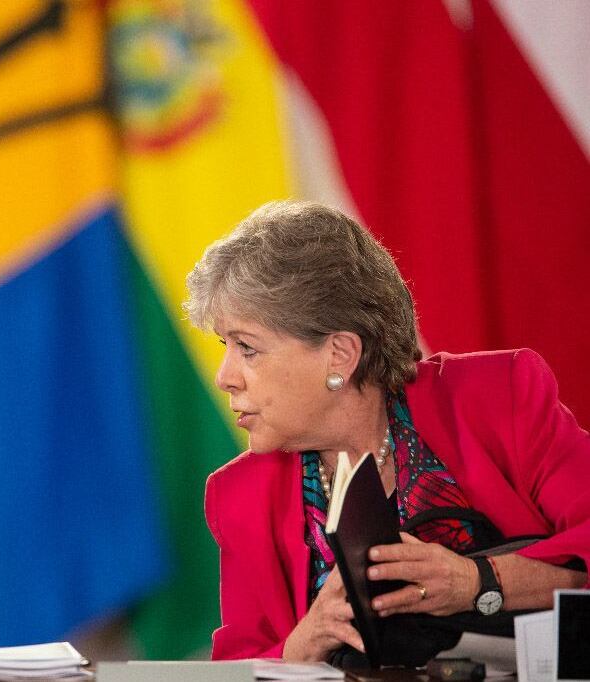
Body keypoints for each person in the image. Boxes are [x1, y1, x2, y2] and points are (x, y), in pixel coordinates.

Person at [187, 201, 590, 661]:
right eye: (226, 345)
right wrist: (306, 642)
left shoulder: (500, 396)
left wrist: (476, 582)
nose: (225, 376)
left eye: (247, 348)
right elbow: (237, 668)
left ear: (340, 354)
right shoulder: (237, 495)